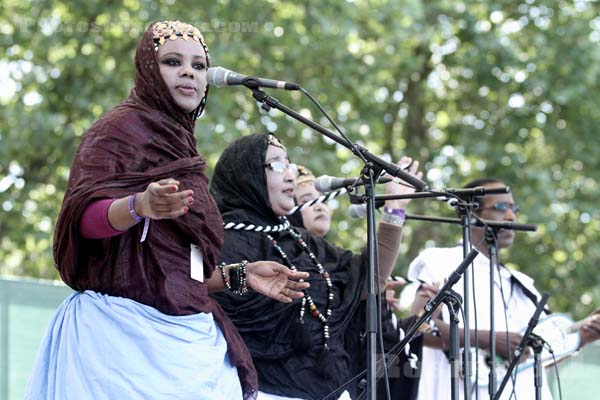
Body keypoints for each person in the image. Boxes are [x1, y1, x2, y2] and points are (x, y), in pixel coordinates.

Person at [25, 21, 309, 400]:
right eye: (173, 62)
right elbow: (83, 222)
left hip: (187, 342)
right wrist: (138, 206)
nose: (189, 72)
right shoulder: (117, 130)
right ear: (147, 70)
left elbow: (178, 272)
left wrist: (241, 276)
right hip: (118, 341)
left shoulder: (184, 151)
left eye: (199, 65)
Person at [209, 132, 423, 400]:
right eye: (276, 165)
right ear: (246, 175)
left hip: (332, 390)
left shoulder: (304, 242)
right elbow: (187, 286)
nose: (289, 175)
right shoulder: (218, 240)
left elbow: (369, 280)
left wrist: (394, 207)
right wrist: (243, 275)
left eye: (288, 164)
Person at [407, 178, 600, 400]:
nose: (511, 216)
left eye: (513, 208)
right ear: (471, 214)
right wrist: (488, 339)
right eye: (501, 207)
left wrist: (584, 337)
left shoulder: (523, 285)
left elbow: (534, 363)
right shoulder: (440, 261)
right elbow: (416, 328)